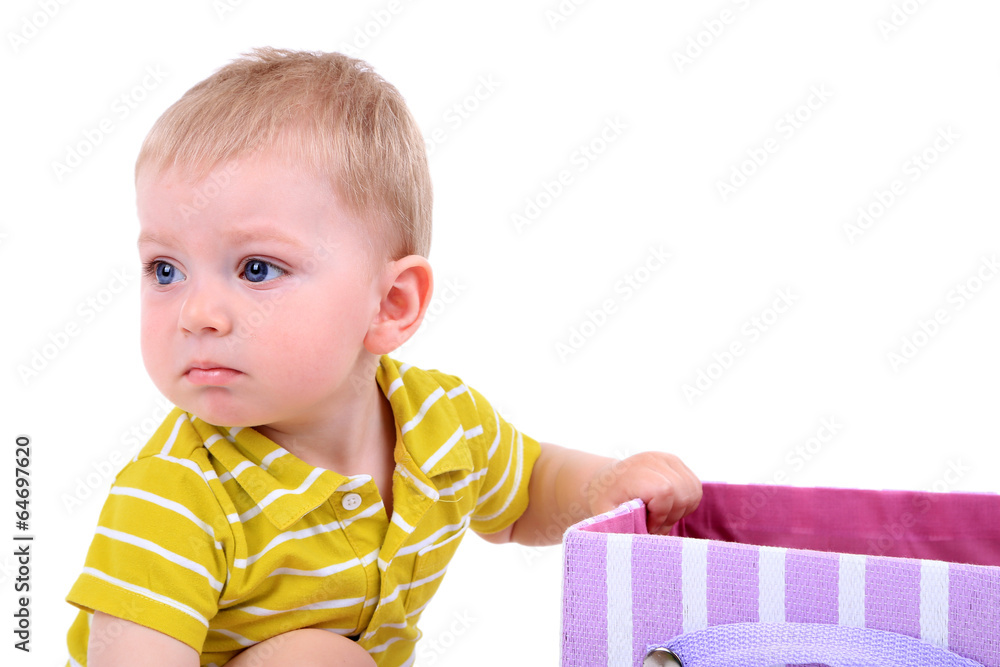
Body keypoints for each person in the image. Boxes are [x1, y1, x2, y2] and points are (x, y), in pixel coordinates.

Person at [64, 47, 702, 667]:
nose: (196, 312)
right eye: (165, 269)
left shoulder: (443, 423)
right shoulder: (173, 497)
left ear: (391, 303)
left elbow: (530, 487)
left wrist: (602, 488)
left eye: (256, 268)